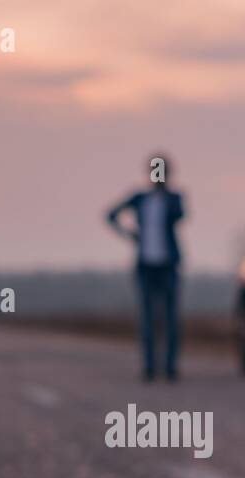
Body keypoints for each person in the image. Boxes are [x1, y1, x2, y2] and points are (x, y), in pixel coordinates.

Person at [105, 155, 185, 381]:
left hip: (168, 265)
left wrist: (164, 197)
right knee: (148, 318)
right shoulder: (140, 198)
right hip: (145, 266)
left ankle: (170, 367)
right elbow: (111, 214)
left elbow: (180, 215)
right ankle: (149, 365)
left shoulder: (174, 198)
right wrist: (130, 234)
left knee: (170, 318)